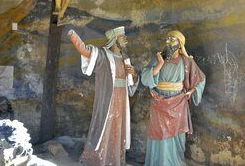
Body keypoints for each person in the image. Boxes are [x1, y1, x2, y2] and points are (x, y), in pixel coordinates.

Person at [68, 26, 138, 166]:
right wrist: (73, 36)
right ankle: (99, 159)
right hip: (108, 101)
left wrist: (134, 74)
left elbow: (131, 85)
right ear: (114, 40)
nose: (125, 39)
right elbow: (85, 51)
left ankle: (115, 159)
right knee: (103, 128)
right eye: (122, 36)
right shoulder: (103, 55)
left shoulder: (125, 58)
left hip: (121, 101)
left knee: (119, 129)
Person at [141, 30, 206, 166]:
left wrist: (192, 90)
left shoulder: (187, 62)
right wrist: (159, 64)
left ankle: (174, 162)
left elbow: (201, 79)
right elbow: (145, 79)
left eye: (173, 39)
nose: (169, 41)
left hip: (178, 103)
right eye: (168, 38)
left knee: (176, 136)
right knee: (158, 134)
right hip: (159, 102)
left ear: (180, 44)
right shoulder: (158, 59)